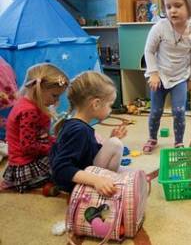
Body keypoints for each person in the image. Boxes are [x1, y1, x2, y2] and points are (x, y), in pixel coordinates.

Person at [142, 0, 191, 154]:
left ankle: (178, 142)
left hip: (180, 78)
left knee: (179, 111)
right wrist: (153, 73)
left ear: (189, 7)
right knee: (155, 111)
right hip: (159, 76)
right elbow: (149, 51)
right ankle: (152, 137)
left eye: (177, 6)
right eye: (168, 7)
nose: (172, 11)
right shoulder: (159, 28)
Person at [50, 71, 127, 196]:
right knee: (115, 144)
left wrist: (111, 139)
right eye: (110, 105)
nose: (110, 110)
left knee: (112, 143)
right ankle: (109, 180)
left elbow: (86, 154)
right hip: (75, 184)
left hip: (84, 171)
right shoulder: (78, 130)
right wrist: (97, 181)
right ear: (96, 104)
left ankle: (110, 178)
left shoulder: (76, 125)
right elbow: (61, 169)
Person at [2, 63, 69, 192]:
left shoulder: (28, 103)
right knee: (62, 160)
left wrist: (53, 141)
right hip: (25, 164)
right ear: (37, 89)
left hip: (27, 158)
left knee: (61, 150)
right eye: (54, 95)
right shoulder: (29, 111)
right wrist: (53, 147)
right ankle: (25, 182)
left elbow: (38, 136)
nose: (56, 101)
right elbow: (28, 147)